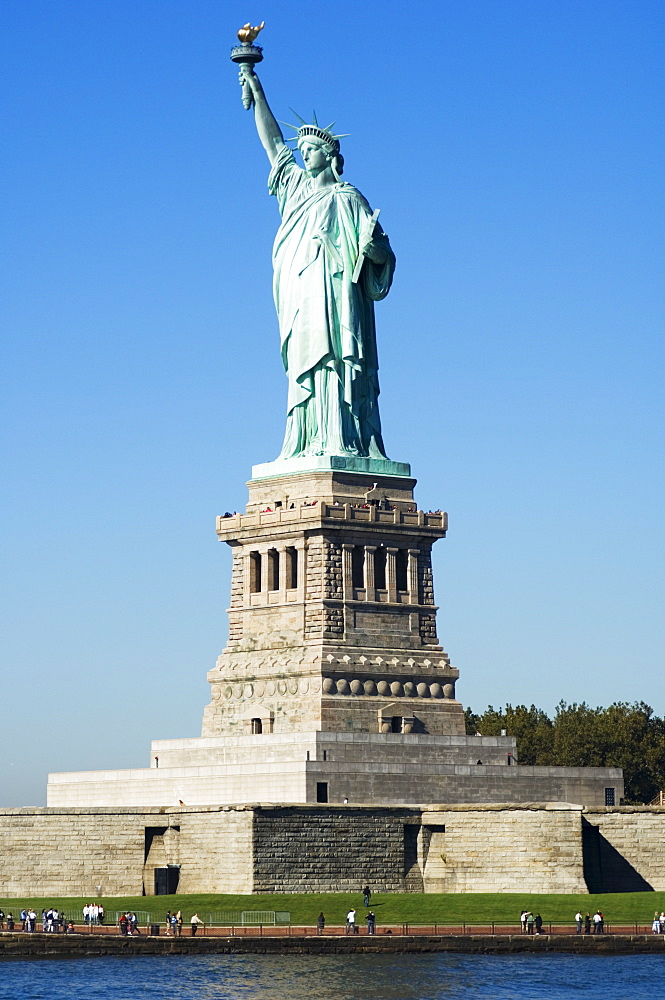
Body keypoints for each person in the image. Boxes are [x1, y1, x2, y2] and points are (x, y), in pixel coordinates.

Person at [238, 64, 395, 463]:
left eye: (311, 150)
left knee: (337, 364)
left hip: (340, 299)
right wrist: (257, 90)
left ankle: (344, 439)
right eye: (302, 150)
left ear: (329, 156)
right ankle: (306, 441)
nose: (303, 154)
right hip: (302, 299)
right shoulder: (294, 191)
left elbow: (382, 259)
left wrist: (375, 252)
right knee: (305, 368)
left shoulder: (348, 199)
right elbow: (273, 145)